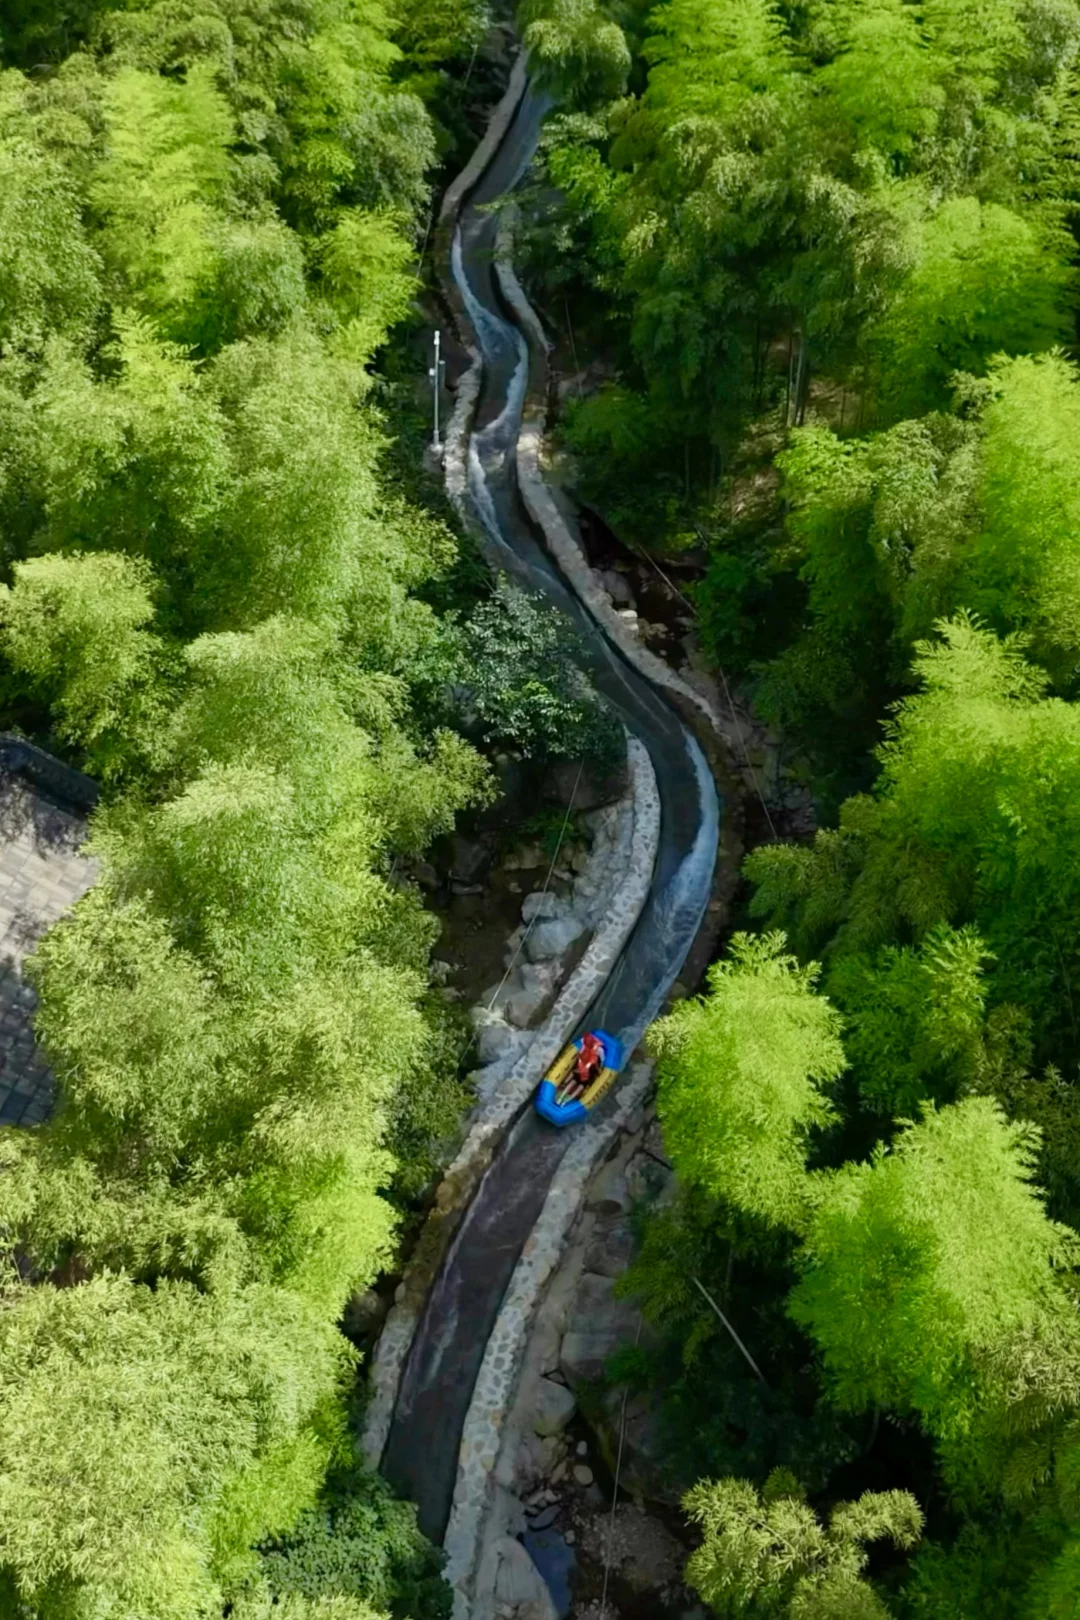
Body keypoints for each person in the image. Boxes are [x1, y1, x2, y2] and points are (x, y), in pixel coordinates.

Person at [561, 1032, 604, 1104]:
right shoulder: (586, 1046)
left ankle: (566, 1099)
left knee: (579, 1084)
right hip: (584, 1069)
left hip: (588, 1071)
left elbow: (600, 1062)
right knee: (575, 1081)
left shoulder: (599, 1050)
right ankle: (562, 1097)